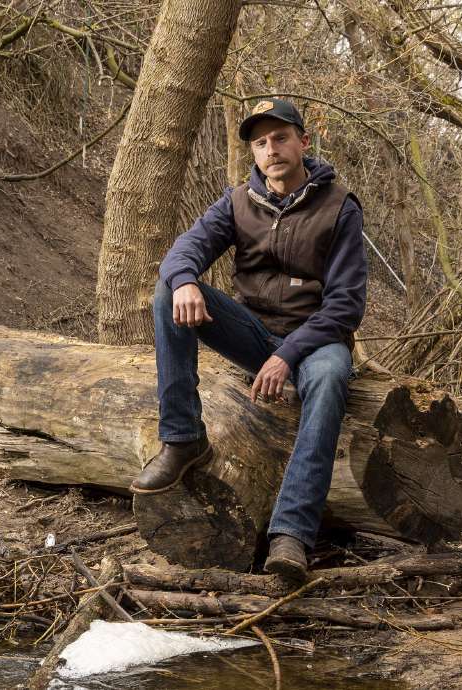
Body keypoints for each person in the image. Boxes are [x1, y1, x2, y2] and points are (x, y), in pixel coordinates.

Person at [129, 98, 368, 581]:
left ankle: (291, 535)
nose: (271, 149)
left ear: (303, 141)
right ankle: (182, 439)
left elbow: (345, 305)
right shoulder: (238, 202)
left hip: (317, 339)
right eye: (260, 143)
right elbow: (183, 250)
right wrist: (187, 281)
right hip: (253, 333)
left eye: (280, 138)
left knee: (327, 382)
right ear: (253, 155)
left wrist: (288, 356)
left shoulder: (339, 206)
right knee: (169, 289)